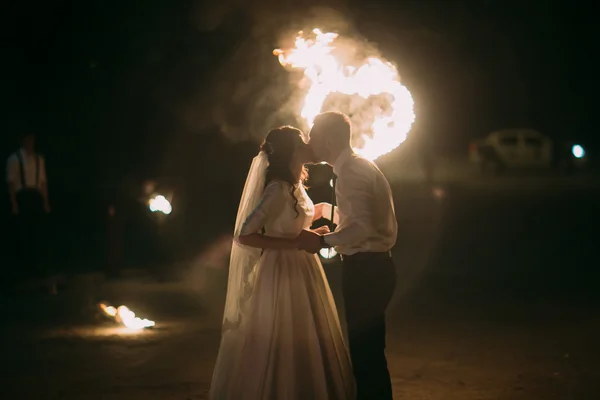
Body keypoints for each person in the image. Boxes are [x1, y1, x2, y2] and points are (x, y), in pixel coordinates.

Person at [209, 126, 355, 400]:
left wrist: (342, 217)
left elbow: (305, 216)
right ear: (291, 150)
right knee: (283, 331)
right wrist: (297, 243)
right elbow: (245, 235)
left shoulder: (295, 186)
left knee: (307, 329)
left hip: (304, 267)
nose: (308, 145)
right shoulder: (276, 189)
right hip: (280, 269)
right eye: (302, 142)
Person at [298, 112, 398, 399]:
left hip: (366, 270)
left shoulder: (351, 172)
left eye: (313, 135)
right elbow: (361, 218)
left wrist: (322, 241)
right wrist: (334, 216)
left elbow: (363, 227)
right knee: (368, 351)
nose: (309, 141)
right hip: (373, 267)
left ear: (328, 140)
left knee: (366, 355)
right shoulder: (357, 167)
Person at [6, 133, 54, 292]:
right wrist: (13, 203)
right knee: (24, 233)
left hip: (35, 196)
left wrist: (45, 202)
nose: (30, 143)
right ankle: (24, 270)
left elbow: (43, 182)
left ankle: (37, 268)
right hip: (23, 196)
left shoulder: (38, 159)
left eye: (32, 140)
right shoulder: (14, 159)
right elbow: (11, 183)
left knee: (37, 234)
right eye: (27, 139)